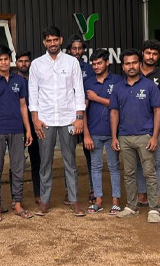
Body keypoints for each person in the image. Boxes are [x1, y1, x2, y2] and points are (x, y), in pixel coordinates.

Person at [29, 26, 86, 217]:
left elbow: (79, 90)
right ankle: (44, 201)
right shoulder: (37, 64)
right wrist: (35, 119)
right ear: (44, 42)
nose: (52, 43)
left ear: (61, 40)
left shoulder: (71, 62)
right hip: (45, 120)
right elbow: (33, 92)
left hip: (68, 118)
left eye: (55, 40)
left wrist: (79, 118)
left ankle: (74, 200)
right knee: (45, 162)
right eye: (49, 40)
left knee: (70, 161)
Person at [0, 44, 33, 221]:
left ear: (10, 60)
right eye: (0, 59)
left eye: (6, 59)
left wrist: (28, 129)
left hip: (17, 130)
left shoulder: (19, 81)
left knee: (18, 168)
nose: (4, 62)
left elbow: (23, 106)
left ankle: (17, 204)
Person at [110, 49, 160, 223]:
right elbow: (114, 112)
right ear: (123, 67)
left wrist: (154, 136)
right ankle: (131, 207)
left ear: (140, 64)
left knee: (149, 173)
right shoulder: (118, 88)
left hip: (145, 136)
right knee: (129, 174)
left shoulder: (149, 86)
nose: (131, 66)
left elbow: (157, 111)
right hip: (124, 137)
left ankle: (154, 209)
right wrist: (114, 137)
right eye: (127, 63)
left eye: (134, 63)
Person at [82, 49, 122, 215]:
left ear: (107, 62)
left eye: (99, 63)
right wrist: (86, 134)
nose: (96, 66)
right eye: (94, 64)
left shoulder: (118, 80)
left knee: (114, 166)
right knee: (96, 167)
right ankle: (98, 200)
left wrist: (96, 98)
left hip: (113, 132)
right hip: (94, 132)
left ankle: (115, 201)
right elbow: (83, 110)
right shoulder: (88, 83)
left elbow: (118, 105)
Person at [137, 39, 160, 212]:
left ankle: (158, 197)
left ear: (158, 56)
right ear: (142, 53)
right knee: (139, 161)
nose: (151, 56)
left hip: (155, 125)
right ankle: (142, 195)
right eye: (148, 53)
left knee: (157, 161)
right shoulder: (133, 71)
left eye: (154, 54)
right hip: (134, 125)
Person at [66, 34, 94, 204]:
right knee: (69, 156)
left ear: (83, 50)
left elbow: (89, 92)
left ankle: (93, 189)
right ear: (69, 50)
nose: (77, 51)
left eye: (79, 48)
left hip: (86, 116)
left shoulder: (89, 68)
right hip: (68, 118)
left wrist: (82, 112)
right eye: (74, 48)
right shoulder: (64, 66)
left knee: (90, 154)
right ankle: (70, 192)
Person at [15, 50, 41, 205]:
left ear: (30, 62)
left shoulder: (36, 78)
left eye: (26, 61)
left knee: (37, 159)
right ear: (16, 63)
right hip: (17, 125)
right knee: (17, 162)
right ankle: (16, 198)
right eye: (20, 61)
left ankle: (39, 193)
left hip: (35, 123)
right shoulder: (13, 80)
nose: (23, 64)